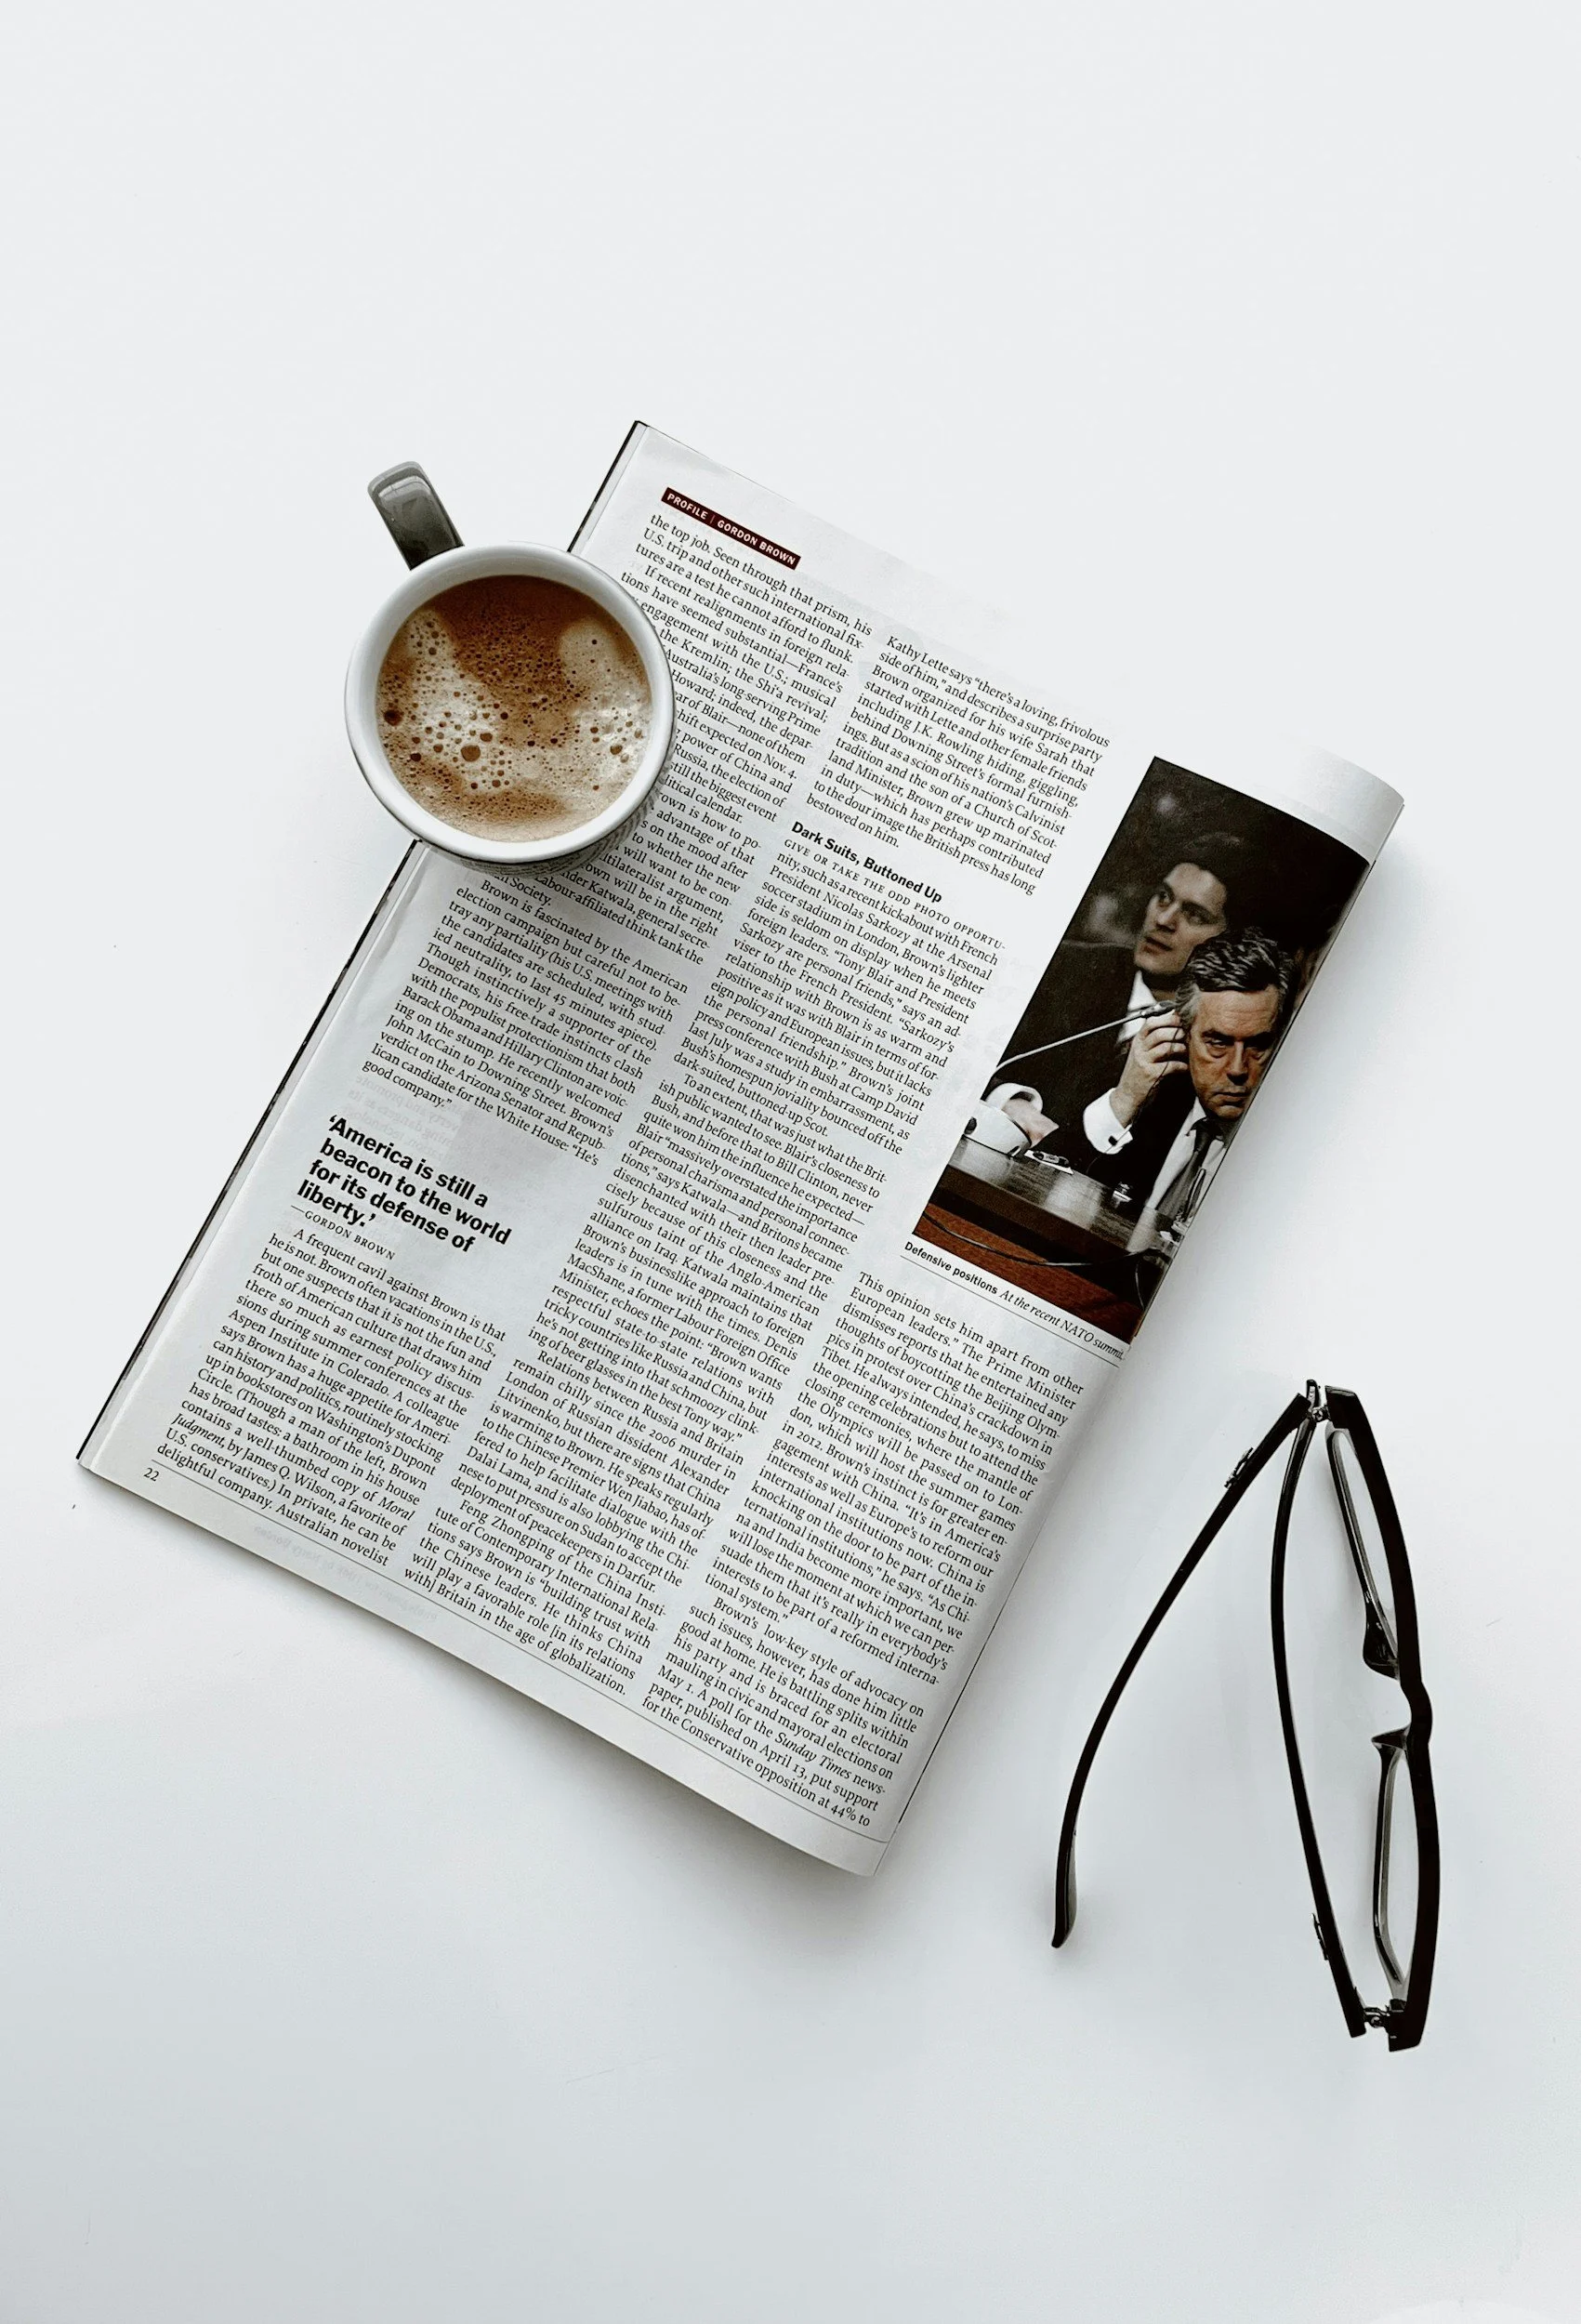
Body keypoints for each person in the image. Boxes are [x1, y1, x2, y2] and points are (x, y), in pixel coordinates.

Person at [984, 834, 1251, 1152]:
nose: (1163, 920)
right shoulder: (1064, 967)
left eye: (1194, 915)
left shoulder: (1218, 1045)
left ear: (1229, 941)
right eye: (1163, 897)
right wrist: (1010, 1100)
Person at [1066, 928, 1295, 1236]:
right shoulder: (1156, 1097)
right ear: (1182, 1033)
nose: (1237, 1069)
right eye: (1218, 1042)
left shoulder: (1286, 1146)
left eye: (1258, 1045)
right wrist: (1125, 1098)